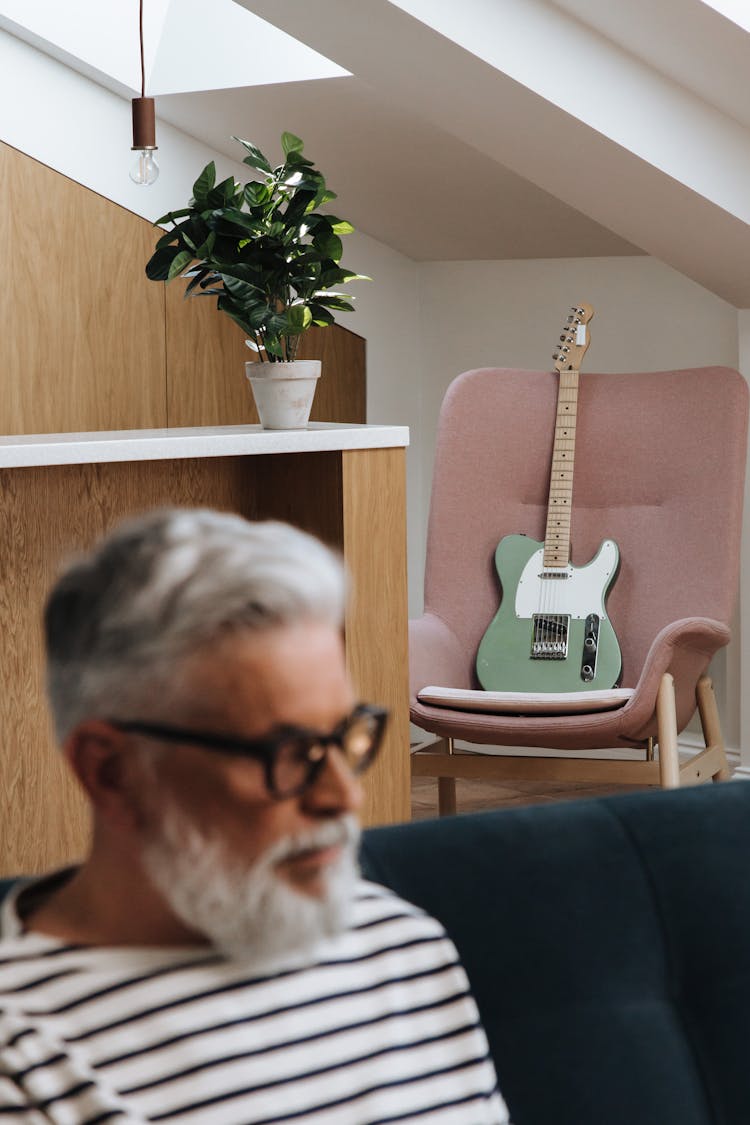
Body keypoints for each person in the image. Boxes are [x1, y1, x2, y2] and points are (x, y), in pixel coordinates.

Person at [0, 508, 507, 1123]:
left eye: (344, 737)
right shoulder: (24, 1056)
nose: (343, 797)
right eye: (288, 754)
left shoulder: (402, 947)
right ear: (111, 772)